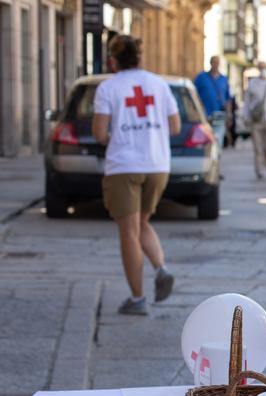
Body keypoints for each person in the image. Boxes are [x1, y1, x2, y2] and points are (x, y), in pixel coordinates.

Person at [92, 35, 178, 315]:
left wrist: (120, 133)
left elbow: (99, 134)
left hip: (125, 165)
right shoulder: (159, 84)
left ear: (113, 61)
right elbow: (175, 127)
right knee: (141, 222)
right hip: (157, 164)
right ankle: (161, 267)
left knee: (128, 231)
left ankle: (138, 298)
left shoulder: (108, 87)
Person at [194, 56, 230, 151]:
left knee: (218, 143)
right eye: (214, 62)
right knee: (205, 144)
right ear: (210, 63)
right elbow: (194, 95)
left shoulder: (224, 79)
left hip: (219, 116)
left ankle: (215, 162)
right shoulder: (201, 78)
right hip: (204, 116)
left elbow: (227, 99)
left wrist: (229, 115)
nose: (216, 65)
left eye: (217, 62)